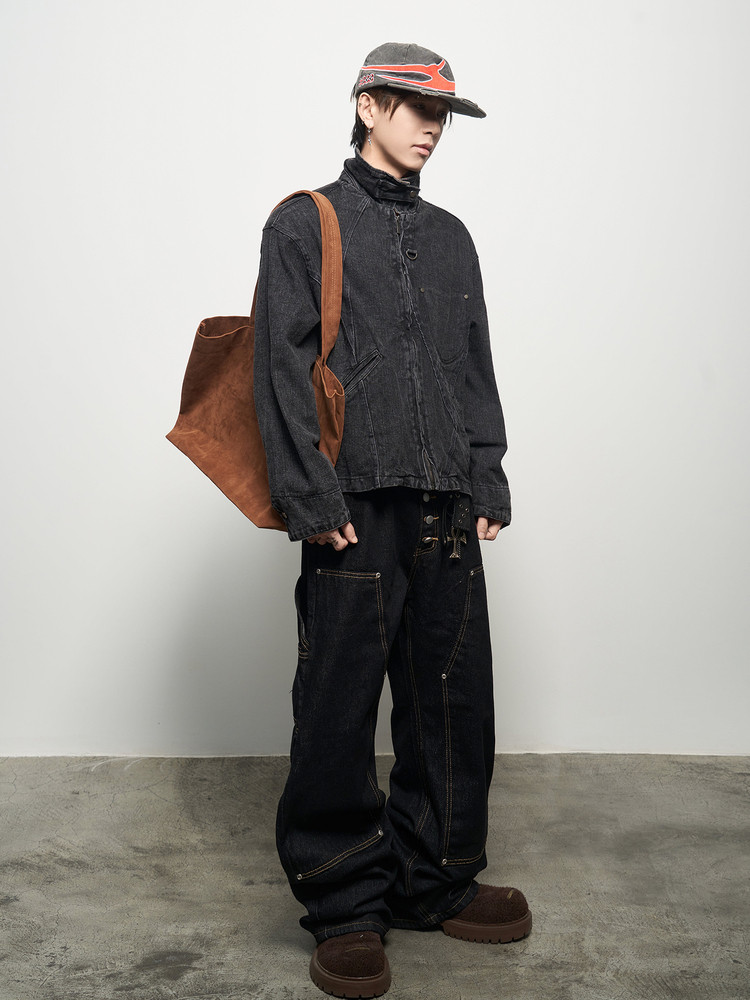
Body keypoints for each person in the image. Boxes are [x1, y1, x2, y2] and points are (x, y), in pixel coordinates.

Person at [253, 41, 531, 999]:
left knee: (453, 703)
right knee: (337, 710)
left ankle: (435, 878)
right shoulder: (306, 222)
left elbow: (473, 365)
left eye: (442, 114)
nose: (431, 128)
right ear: (367, 105)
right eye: (414, 107)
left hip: (446, 505)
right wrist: (311, 498)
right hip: (353, 507)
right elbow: (281, 367)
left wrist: (486, 476)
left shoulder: (452, 237)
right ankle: (344, 902)